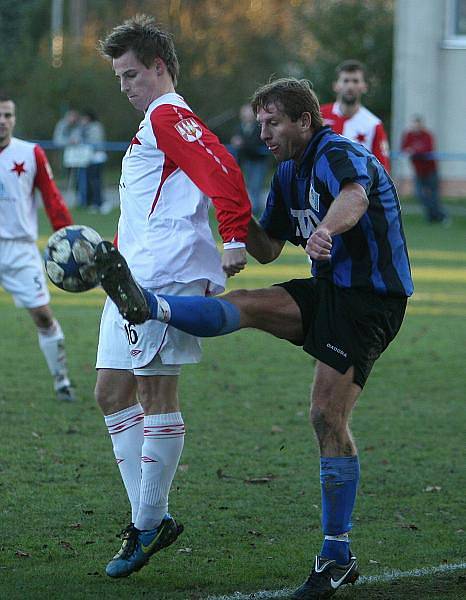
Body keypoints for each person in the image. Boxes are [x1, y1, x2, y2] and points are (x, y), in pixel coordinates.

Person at [96, 77, 413, 599]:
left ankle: (337, 553)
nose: (262, 131)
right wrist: (232, 222)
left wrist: (327, 230)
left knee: (325, 416)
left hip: (370, 302)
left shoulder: (335, 152)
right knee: (242, 305)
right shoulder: (287, 174)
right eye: (259, 122)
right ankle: (150, 305)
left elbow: (355, 195)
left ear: (303, 122)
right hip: (326, 290)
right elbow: (269, 250)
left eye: (273, 122)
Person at [95, 15, 251, 579]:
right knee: (111, 393)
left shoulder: (169, 115)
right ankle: (149, 517)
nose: (124, 86)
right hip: (129, 275)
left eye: (132, 74)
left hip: (162, 278)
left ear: (160, 68)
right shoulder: (154, 121)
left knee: (155, 392)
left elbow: (223, 169)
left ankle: (146, 522)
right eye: (119, 77)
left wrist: (233, 236)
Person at [0, 93, 76, 402]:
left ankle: (62, 381)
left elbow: (53, 200)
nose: (2, 122)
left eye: (8, 115)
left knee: (43, 317)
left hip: (20, 250)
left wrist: (69, 239)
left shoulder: (30, 153)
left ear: (14, 118)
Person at [321, 59, 390, 172]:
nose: (350, 86)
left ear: (364, 87)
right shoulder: (319, 116)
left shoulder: (373, 124)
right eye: (346, 80)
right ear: (336, 85)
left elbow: (383, 170)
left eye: (355, 81)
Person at [401, 115, 449, 224]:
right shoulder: (409, 135)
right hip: (418, 171)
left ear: (421, 125)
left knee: (434, 195)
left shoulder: (427, 135)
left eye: (417, 125)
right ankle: (435, 215)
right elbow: (404, 149)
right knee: (419, 194)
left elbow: (428, 149)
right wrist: (412, 150)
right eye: (414, 125)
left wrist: (414, 150)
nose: (415, 127)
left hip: (431, 170)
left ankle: (438, 216)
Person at [231, 103, 269, 215]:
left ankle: (256, 212)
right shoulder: (239, 128)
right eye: (244, 112)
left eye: (248, 112)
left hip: (259, 161)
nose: (246, 115)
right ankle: (252, 211)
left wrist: (242, 143)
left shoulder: (260, 127)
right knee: (250, 186)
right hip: (246, 161)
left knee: (256, 185)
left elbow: (259, 143)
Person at [76, 109, 107, 211]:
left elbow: (95, 141)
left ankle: (99, 203)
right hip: (88, 158)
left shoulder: (95, 127)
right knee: (89, 182)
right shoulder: (83, 128)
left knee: (96, 181)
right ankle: (91, 202)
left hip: (97, 158)